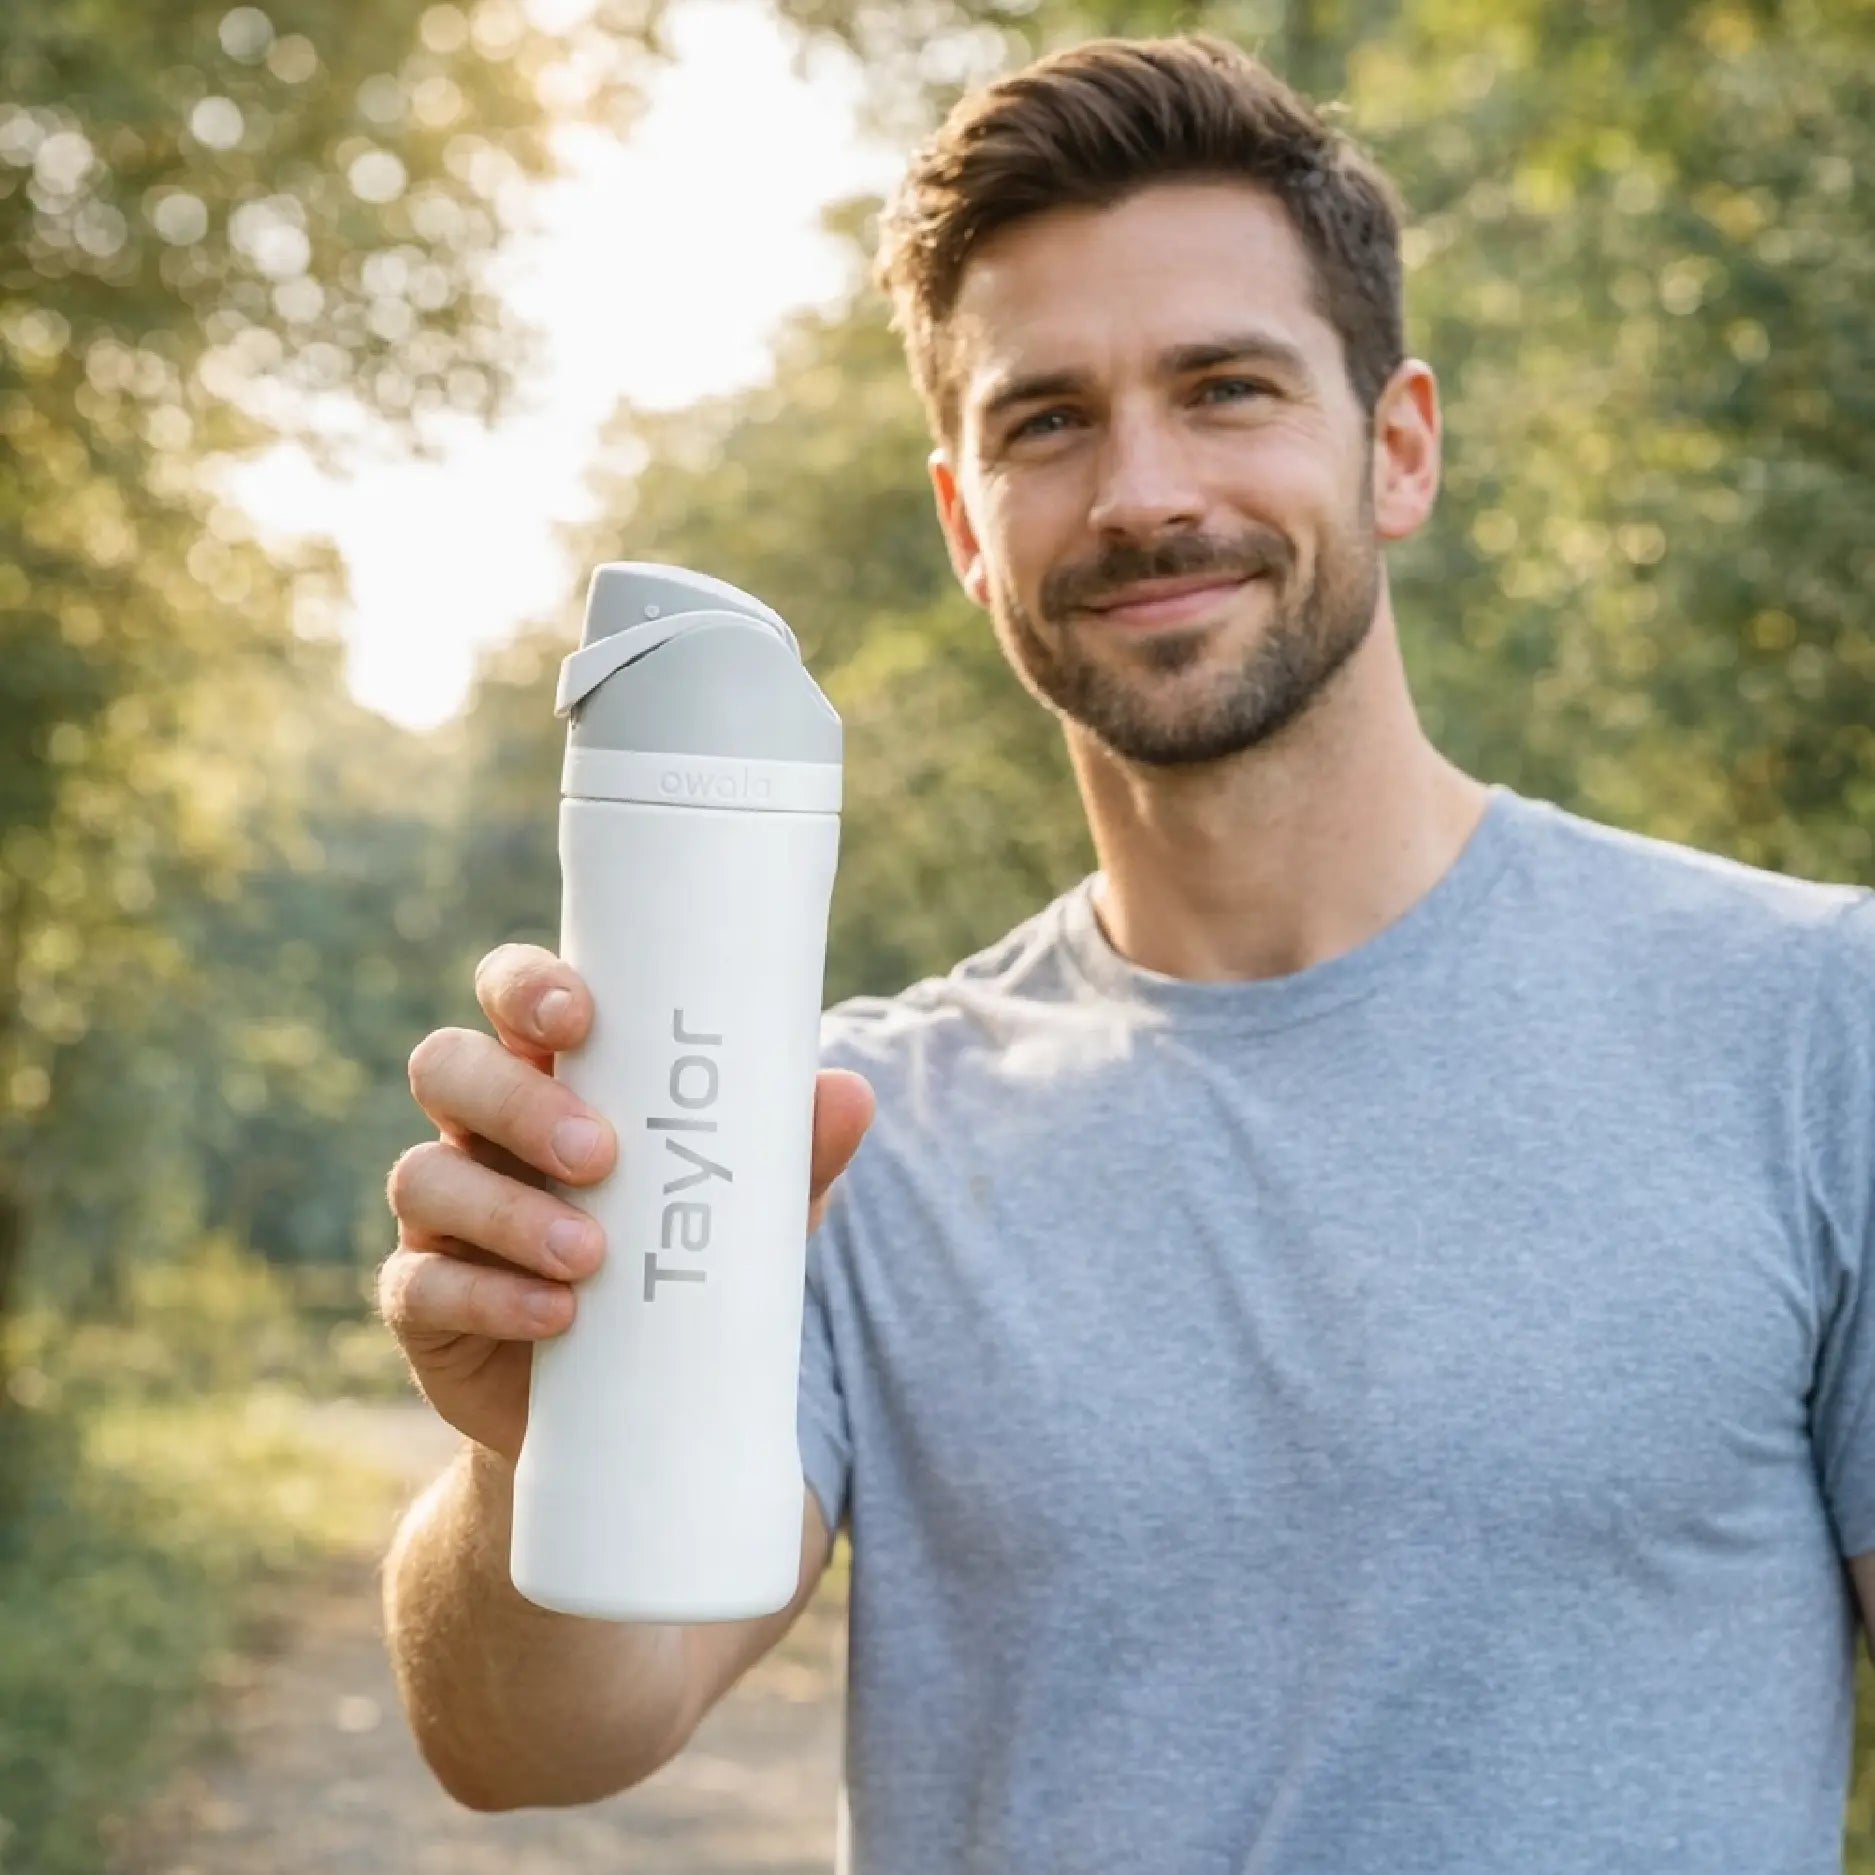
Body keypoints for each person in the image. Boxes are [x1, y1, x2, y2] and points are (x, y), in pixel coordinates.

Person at [377, 31, 1875, 1873]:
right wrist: (541, 1451)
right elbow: (526, 1744)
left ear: (1396, 447)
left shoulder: (1812, 1023)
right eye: (1047, 420)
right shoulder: (829, 1126)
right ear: (963, 525)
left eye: (1227, 387)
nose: (1142, 492)